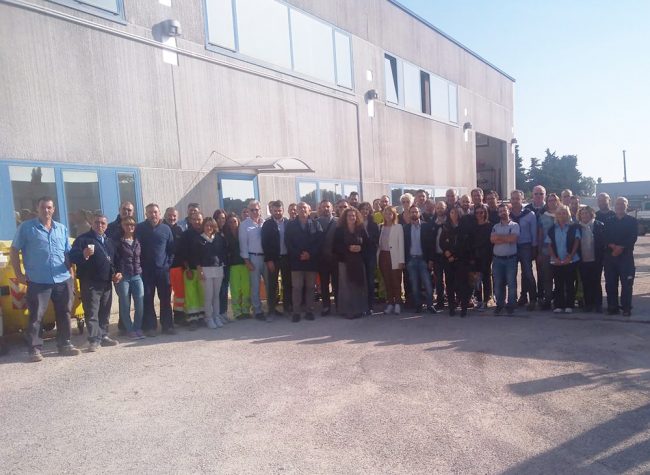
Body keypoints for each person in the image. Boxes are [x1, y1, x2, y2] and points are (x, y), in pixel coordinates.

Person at [10, 196, 81, 362]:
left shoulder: (61, 228)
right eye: (43, 207)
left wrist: (71, 273)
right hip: (38, 280)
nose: (46, 210)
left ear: (53, 209)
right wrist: (19, 274)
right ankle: (34, 349)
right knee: (36, 315)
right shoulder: (26, 228)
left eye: (49, 207)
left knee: (64, 312)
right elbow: (14, 250)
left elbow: (66, 253)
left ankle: (65, 344)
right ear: (37, 209)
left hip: (62, 278)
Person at [70, 213, 121, 351]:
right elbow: (72, 256)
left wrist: (118, 272)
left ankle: (104, 336)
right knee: (92, 312)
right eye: (97, 222)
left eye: (103, 223)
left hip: (107, 282)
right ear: (92, 224)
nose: (100, 225)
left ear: (106, 226)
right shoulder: (83, 239)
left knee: (105, 311)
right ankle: (94, 340)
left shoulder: (109, 241)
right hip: (90, 282)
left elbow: (116, 260)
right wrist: (83, 254)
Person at [136, 203, 175, 336]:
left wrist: (168, 264)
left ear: (159, 213)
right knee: (147, 299)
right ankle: (150, 327)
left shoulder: (166, 229)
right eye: (150, 212)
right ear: (146, 214)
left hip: (163, 271)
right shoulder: (140, 228)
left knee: (165, 299)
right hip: (146, 271)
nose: (153, 215)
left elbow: (171, 249)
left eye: (155, 212)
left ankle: (167, 326)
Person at [285, 202, 323, 322]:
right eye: (300, 208)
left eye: (304, 208)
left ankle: (309, 311)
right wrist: (299, 254)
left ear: (309, 210)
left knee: (311, 287)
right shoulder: (291, 225)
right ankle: (296, 312)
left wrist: (309, 254)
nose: (302, 210)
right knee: (297, 287)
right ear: (297, 210)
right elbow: (288, 242)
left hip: (311, 261)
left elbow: (319, 242)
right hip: (296, 261)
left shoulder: (316, 224)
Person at [604, 197, 638, 316]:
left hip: (626, 257)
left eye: (622, 204)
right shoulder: (608, 221)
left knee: (627, 284)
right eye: (618, 204)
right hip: (610, 256)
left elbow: (633, 237)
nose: (620, 206)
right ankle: (612, 307)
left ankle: (626, 307)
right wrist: (612, 246)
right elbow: (605, 236)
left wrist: (621, 247)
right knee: (610, 283)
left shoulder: (632, 221)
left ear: (626, 206)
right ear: (614, 206)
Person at [112, 216, 145, 339]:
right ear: (122, 226)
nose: (129, 227)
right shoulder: (118, 242)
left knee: (140, 303)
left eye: (132, 224)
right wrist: (116, 272)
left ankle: (137, 327)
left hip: (137, 275)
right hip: (123, 277)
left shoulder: (138, 240)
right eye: (126, 224)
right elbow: (113, 259)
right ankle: (129, 329)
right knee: (125, 304)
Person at [333, 208, 369, 319]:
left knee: (358, 286)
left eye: (354, 215)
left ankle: (359, 309)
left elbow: (368, 244)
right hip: (344, 262)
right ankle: (347, 311)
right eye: (349, 215)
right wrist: (348, 248)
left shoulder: (361, 228)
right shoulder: (339, 230)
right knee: (346, 287)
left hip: (358, 262)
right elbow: (335, 246)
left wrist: (360, 248)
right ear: (345, 217)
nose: (352, 217)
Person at [546, 204, 581, 313]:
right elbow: (549, 244)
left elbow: (576, 242)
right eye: (560, 213)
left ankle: (569, 305)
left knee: (570, 283)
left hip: (571, 260)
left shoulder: (574, 227)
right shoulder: (552, 229)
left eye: (564, 213)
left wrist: (570, 256)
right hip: (556, 261)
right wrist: (554, 258)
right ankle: (559, 305)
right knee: (558, 283)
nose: (562, 215)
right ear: (556, 215)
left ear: (568, 214)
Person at [440, 207, 473, 316]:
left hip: (461, 260)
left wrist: (454, 255)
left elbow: (465, 245)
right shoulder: (446, 226)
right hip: (448, 261)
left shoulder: (464, 227)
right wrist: (446, 252)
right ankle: (451, 308)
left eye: (455, 213)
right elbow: (442, 241)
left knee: (462, 285)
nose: (453, 214)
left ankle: (464, 308)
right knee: (450, 285)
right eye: (451, 212)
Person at [261, 200, 292, 318]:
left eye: (279, 210)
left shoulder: (288, 223)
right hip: (273, 259)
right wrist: (268, 260)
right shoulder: (267, 224)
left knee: (287, 284)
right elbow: (265, 243)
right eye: (275, 211)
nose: (277, 213)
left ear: (283, 210)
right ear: (272, 211)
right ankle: (271, 310)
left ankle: (287, 308)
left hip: (286, 258)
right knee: (272, 285)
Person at [403, 206, 436, 313]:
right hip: (411, 260)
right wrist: (405, 261)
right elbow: (404, 246)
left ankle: (430, 305)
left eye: (416, 212)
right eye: (412, 212)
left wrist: (431, 260)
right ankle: (418, 305)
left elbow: (431, 244)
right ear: (409, 214)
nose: (414, 213)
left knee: (427, 284)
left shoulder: (426, 226)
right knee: (414, 285)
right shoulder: (405, 228)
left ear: (419, 213)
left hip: (423, 260)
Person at [197, 217, 227, 329]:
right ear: (203, 226)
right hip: (205, 270)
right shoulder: (199, 239)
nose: (209, 227)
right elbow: (197, 257)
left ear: (214, 227)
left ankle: (216, 316)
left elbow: (223, 253)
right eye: (206, 225)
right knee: (208, 296)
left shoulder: (219, 238)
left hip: (218, 269)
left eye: (211, 225)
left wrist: (222, 267)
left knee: (216, 295)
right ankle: (208, 318)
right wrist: (200, 271)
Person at [239, 200, 267, 321]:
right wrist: (247, 261)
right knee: (255, 286)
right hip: (253, 258)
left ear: (260, 210)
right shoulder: (244, 225)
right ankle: (257, 310)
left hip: (266, 258)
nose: (255, 212)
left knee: (269, 284)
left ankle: (271, 308)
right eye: (252, 210)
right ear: (248, 211)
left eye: (256, 209)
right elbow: (243, 244)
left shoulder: (265, 223)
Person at [510, 190, 538, 311]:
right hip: (511, 246)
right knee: (512, 274)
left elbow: (534, 233)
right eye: (513, 198)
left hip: (526, 246)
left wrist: (534, 248)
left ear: (522, 199)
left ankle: (533, 299)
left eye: (517, 198)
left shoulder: (530, 214)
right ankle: (517, 298)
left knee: (527, 273)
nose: (515, 201)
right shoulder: (508, 214)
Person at [491, 203, 520, 315]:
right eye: (500, 211)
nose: (502, 212)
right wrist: (506, 238)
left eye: (504, 210)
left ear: (509, 211)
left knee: (511, 283)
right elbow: (492, 240)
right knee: (498, 283)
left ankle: (511, 305)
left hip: (510, 259)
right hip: (497, 259)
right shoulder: (495, 226)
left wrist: (499, 237)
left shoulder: (515, 225)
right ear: (498, 214)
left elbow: (513, 239)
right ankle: (500, 305)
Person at [577, 206, 606, 313]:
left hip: (596, 259)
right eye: (582, 213)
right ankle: (588, 304)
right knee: (585, 282)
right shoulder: (577, 227)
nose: (584, 215)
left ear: (591, 214)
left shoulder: (599, 225)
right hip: (582, 260)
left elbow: (603, 243)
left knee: (596, 282)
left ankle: (598, 304)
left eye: (586, 213)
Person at [181, 212, 206, 328]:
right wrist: (187, 269)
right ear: (190, 221)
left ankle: (202, 317)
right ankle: (192, 319)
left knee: (202, 294)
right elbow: (183, 253)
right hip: (190, 270)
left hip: (204, 270)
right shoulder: (186, 235)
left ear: (202, 220)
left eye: (199, 219)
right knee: (191, 295)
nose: (197, 222)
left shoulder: (205, 233)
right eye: (194, 219)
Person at [377, 206, 405, 314]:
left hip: (394, 257)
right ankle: (390, 303)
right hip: (383, 256)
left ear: (394, 215)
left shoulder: (398, 227)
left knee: (396, 281)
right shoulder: (381, 227)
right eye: (386, 213)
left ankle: (398, 303)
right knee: (387, 281)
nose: (388, 215)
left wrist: (401, 260)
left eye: (390, 213)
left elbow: (401, 244)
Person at [224, 214, 251, 319]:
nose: (233, 224)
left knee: (246, 288)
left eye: (234, 221)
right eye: (230, 222)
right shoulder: (225, 235)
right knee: (235, 289)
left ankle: (246, 310)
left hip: (244, 264)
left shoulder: (243, 233)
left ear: (238, 222)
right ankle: (237, 312)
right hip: (233, 265)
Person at [164, 206, 186, 326]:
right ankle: (167, 320)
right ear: (165, 215)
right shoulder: (161, 228)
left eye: (174, 216)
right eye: (170, 215)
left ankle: (179, 316)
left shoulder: (179, 230)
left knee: (179, 294)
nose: (172, 218)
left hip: (177, 266)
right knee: (165, 295)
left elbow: (183, 248)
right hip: (164, 268)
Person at [537, 193, 559, 310]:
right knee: (547, 277)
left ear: (558, 201)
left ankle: (560, 300)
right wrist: (539, 252)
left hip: (560, 251)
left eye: (554, 200)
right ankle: (548, 299)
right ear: (547, 202)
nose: (552, 202)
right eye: (550, 200)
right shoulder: (542, 216)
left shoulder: (563, 214)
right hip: (546, 251)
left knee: (560, 277)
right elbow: (540, 235)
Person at [316, 200, 338, 316]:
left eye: (328, 206)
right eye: (323, 207)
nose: (326, 209)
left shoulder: (338, 221)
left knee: (337, 283)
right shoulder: (316, 222)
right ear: (320, 208)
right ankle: (326, 306)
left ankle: (338, 305)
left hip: (335, 258)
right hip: (322, 259)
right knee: (324, 284)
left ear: (332, 208)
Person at [358, 202, 380, 315]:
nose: (365, 211)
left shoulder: (374, 224)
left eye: (367, 209)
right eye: (363, 209)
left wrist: (366, 239)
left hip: (370, 255)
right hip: (359, 255)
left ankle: (370, 306)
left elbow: (375, 239)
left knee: (370, 280)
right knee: (361, 281)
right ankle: (362, 305)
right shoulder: (356, 223)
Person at [472, 205, 493, 311]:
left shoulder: (490, 226)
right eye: (477, 213)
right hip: (475, 256)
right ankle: (479, 300)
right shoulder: (473, 226)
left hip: (486, 256)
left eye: (481, 212)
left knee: (486, 279)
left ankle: (486, 300)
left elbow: (491, 243)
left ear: (485, 213)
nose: (479, 215)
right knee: (477, 279)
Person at [213, 209, 230, 321]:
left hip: (226, 265)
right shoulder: (214, 233)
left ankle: (223, 313)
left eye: (223, 218)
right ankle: (217, 313)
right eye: (218, 218)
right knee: (218, 291)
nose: (221, 220)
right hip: (218, 266)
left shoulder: (226, 232)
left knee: (224, 290)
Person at [431, 201, 448, 310]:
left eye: (442, 208)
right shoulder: (432, 222)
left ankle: (451, 300)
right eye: (438, 208)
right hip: (437, 255)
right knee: (438, 280)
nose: (440, 210)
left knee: (450, 279)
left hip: (448, 255)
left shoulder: (450, 221)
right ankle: (440, 301)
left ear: (445, 208)